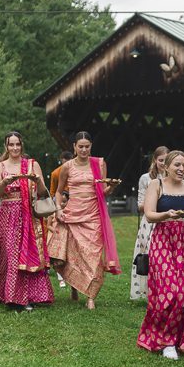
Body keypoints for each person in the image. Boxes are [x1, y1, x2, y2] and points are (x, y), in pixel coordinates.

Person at [136, 150, 184, 360]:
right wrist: (166, 214)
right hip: (163, 239)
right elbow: (149, 215)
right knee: (170, 291)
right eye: (177, 165)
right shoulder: (156, 185)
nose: (181, 169)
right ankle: (166, 341)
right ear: (166, 166)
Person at [0, 131, 54, 311]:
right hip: (8, 215)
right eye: (11, 145)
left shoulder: (32, 165)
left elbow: (43, 192)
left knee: (27, 254)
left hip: (29, 215)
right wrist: (5, 182)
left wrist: (37, 180)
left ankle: (32, 295)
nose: (14, 148)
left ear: (22, 146)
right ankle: (13, 296)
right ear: (6, 146)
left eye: (17, 144)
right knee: (12, 255)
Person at [47, 132, 121, 310]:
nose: (84, 150)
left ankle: (90, 296)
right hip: (72, 214)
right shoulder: (67, 167)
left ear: (91, 146)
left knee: (93, 256)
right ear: (74, 147)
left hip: (93, 215)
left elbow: (102, 192)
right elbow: (58, 191)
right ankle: (74, 286)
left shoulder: (99, 163)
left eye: (87, 146)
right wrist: (58, 209)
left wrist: (112, 187)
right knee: (74, 255)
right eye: (80, 146)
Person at [130, 145, 168, 300]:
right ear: (155, 160)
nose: (164, 164)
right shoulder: (146, 178)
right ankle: (149, 292)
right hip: (150, 223)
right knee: (151, 257)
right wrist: (156, 204)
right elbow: (139, 205)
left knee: (165, 257)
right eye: (161, 160)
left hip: (167, 221)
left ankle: (165, 291)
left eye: (167, 161)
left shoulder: (174, 178)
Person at [49, 150, 74, 288]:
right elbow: (53, 191)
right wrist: (56, 206)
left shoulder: (76, 170)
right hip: (59, 203)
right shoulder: (55, 173)